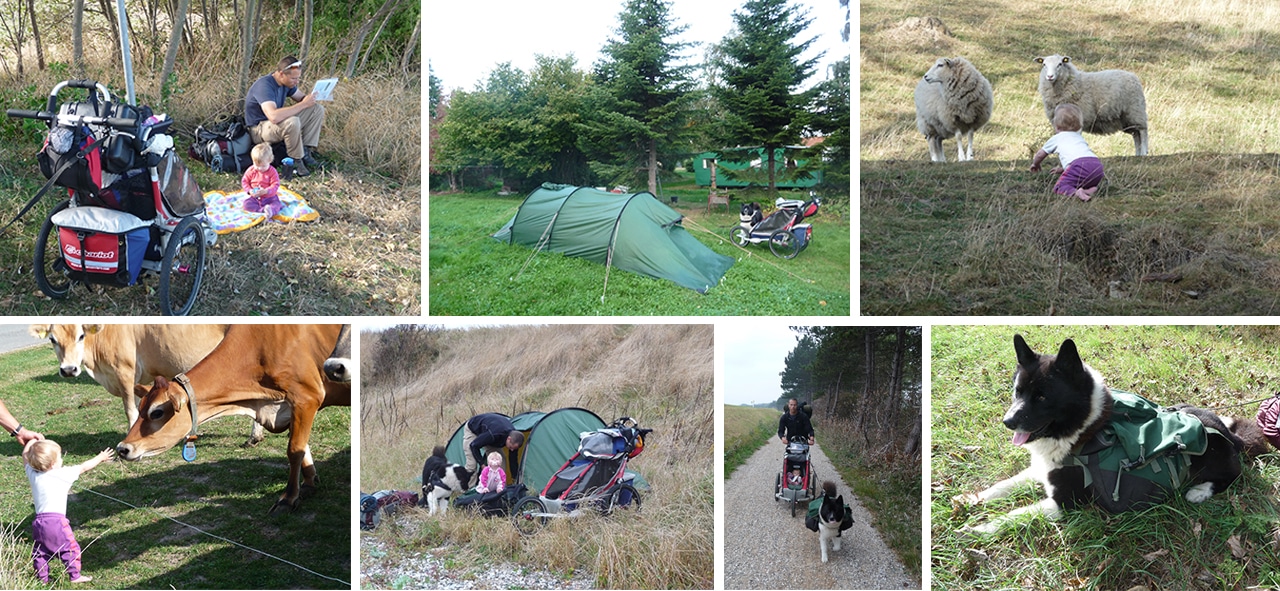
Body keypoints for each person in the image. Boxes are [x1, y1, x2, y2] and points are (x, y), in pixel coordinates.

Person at [23, 440, 114, 584]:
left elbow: (24, 455)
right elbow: (84, 467)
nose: (62, 459)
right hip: (57, 522)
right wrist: (100, 457)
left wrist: (31, 442)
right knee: (70, 548)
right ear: (53, 464)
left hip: (39, 522)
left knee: (41, 552)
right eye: (60, 457)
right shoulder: (63, 474)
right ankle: (75, 576)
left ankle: (42, 579)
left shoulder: (33, 475)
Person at [244, 55, 326, 177]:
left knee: (316, 109)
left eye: (298, 78)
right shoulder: (264, 86)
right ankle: (295, 160)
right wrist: (304, 104)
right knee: (292, 122)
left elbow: (302, 99)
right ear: (282, 74)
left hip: (274, 125)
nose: (296, 82)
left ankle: (306, 152)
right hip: (259, 129)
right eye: (294, 78)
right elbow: (273, 116)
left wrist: (311, 98)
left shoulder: (287, 84)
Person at [1029, 103, 1105, 202]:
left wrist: (1035, 164)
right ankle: (1090, 190)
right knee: (1083, 180)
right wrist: (1063, 169)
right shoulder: (1079, 137)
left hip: (1079, 165)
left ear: (1056, 126)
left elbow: (1040, 154)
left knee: (1060, 187)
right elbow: (1079, 157)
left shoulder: (1057, 138)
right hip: (1097, 166)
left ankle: (1077, 193)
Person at [461, 413, 525, 482]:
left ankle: (497, 487)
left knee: (500, 462)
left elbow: (513, 461)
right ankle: (468, 489)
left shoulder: (515, 438)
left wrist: (515, 479)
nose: (512, 450)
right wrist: (482, 465)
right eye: (511, 447)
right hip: (473, 429)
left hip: (489, 434)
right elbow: (473, 446)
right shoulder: (494, 434)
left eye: (514, 449)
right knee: (472, 465)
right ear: (509, 439)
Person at [242, 143, 283, 220]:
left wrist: (267, 191)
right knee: (246, 204)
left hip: (270, 197)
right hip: (255, 198)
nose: (260, 168)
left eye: (263, 166)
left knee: (277, 205)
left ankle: (270, 210)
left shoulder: (272, 171)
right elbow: (245, 181)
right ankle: (263, 210)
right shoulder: (251, 170)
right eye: (257, 165)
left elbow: (276, 184)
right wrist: (249, 191)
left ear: (270, 161)